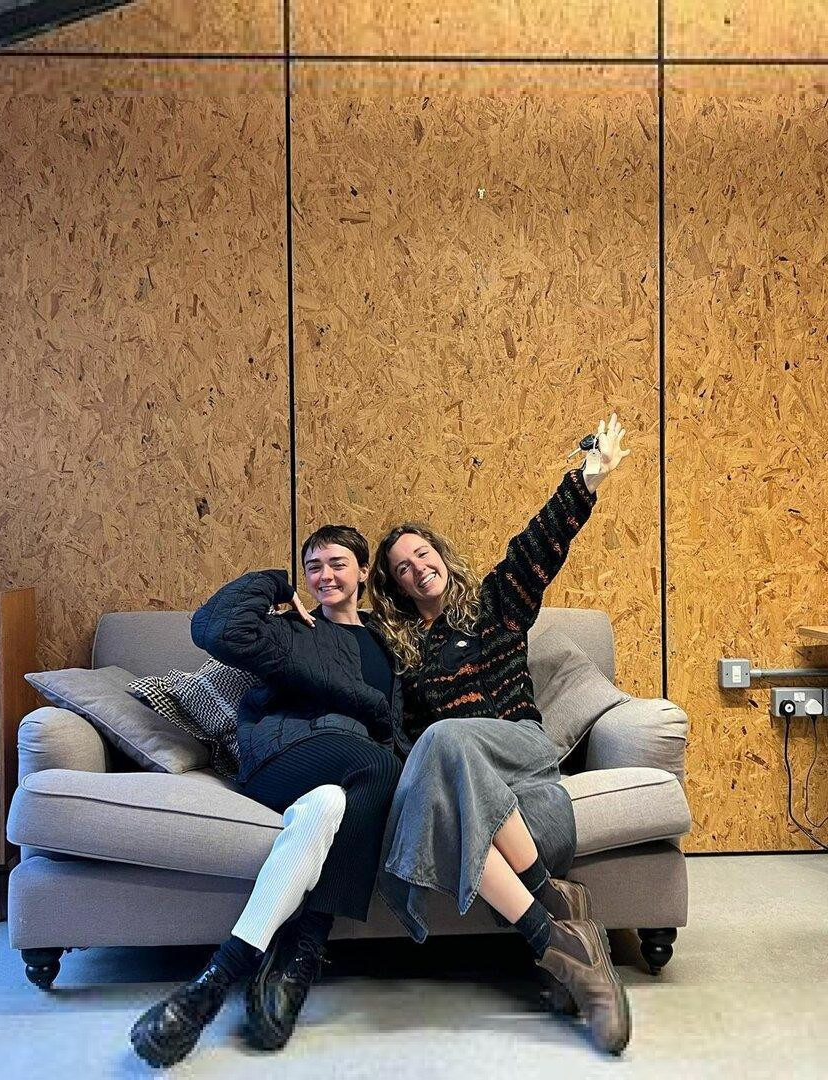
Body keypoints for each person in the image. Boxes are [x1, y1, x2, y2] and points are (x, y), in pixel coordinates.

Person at [368, 413, 633, 1055]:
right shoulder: (404, 654)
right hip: (474, 783)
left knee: (445, 738)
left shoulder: (493, 608)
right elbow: (400, 734)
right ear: (396, 587)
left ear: (441, 556)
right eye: (402, 568)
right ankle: (562, 945)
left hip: (523, 754)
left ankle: (550, 921)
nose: (417, 568)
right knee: (441, 769)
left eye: (422, 554)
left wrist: (586, 480)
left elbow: (535, 549)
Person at [130, 526, 403, 1067]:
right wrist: (276, 583)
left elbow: (396, 720)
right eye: (313, 566)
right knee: (377, 765)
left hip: (344, 776)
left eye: (337, 563)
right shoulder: (292, 630)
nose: (324, 575)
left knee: (330, 804)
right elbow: (214, 627)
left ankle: (217, 980)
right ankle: (306, 949)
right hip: (282, 758)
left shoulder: (387, 641)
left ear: (363, 571)